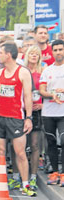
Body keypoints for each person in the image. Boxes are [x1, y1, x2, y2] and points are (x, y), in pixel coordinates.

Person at [0, 43, 36, 196]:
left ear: (8, 54)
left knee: (20, 152)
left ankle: (25, 184)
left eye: (0, 53)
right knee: (0, 151)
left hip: (16, 117)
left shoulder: (23, 72)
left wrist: (28, 118)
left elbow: (28, 96)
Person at [39, 39, 64, 186]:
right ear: (52, 52)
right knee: (51, 141)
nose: (58, 52)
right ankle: (55, 172)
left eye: (61, 49)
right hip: (48, 112)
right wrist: (51, 94)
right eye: (55, 50)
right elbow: (42, 90)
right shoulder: (47, 70)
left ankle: (63, 173)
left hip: (63, 113)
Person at [23, 45, 44, 190]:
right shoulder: (22, 71)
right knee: (19, 145)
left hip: (37, 111)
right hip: (22, 111)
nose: (34, 56)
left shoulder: (43, 71)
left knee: (35, 144)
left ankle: (33, 176)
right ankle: (18, 176)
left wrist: (43, 105)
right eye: (32, 53)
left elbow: (48, 90)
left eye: (37, 54)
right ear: (27, 55)